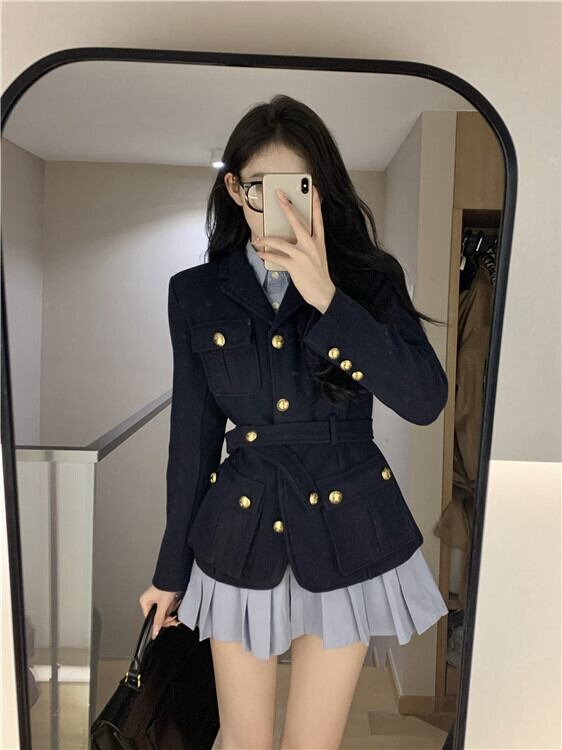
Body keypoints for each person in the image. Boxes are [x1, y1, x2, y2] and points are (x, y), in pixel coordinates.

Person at [140, 94, 449, 750]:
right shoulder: (194, 292)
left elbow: (424, 400)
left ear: (321, 190)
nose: (277, 203)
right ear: (235, 189)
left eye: (297, 186)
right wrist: (170, 571)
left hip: (348, 522)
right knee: (243, 742)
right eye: (260, 187)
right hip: (239, 526)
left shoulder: (369, 279)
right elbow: (192, 439)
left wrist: (327, 297)